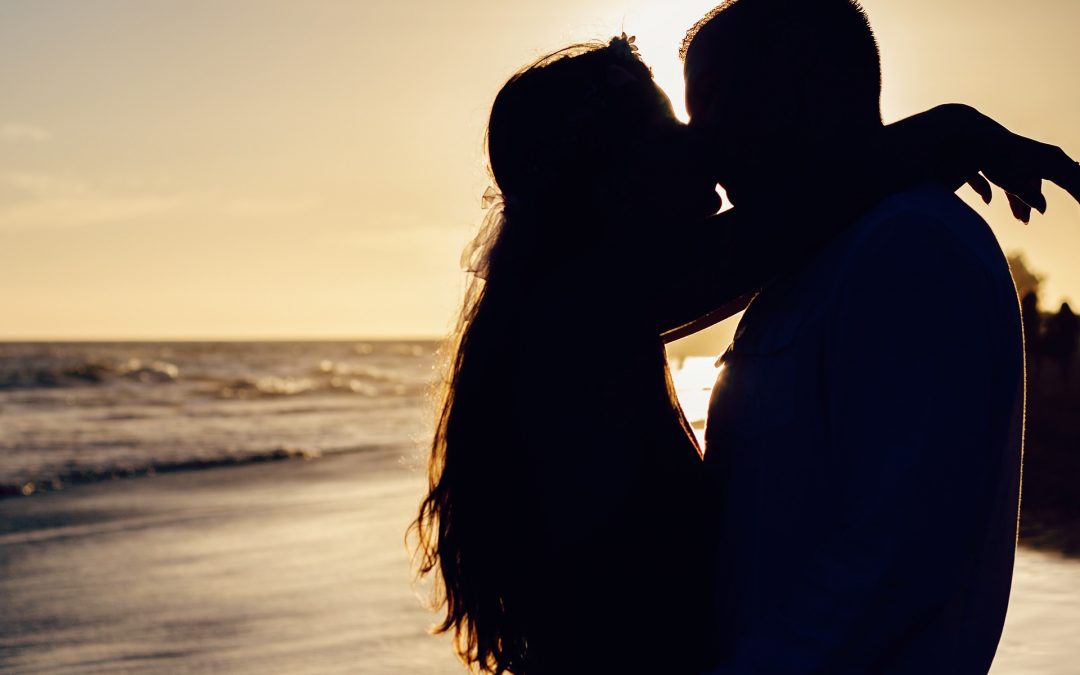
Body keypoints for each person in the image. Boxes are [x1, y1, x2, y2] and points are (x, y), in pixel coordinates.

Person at [411, 35, 1080, 675]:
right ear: (610, 177)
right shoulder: (579, 306)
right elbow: (790, 221)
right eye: (668, 126)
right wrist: (946, 129)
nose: (699, 143)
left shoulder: (566, 309)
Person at [682, 1, 1079, 672]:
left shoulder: (907, 246)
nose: (701, 142)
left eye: (717, 102)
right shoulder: (807, 260)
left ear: (807, 86)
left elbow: (891, 557)